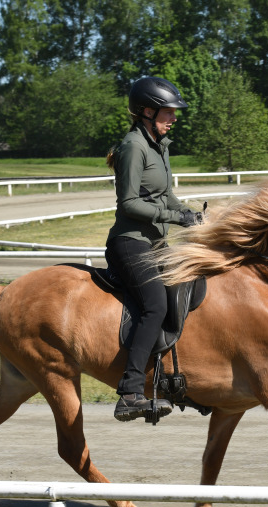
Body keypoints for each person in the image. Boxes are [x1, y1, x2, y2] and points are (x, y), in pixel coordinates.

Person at [105, 76, 202, 422]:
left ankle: (174, 376)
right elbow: (129, 203)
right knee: (156, 304)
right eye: (168, 112)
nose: (173, 118)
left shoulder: (160, 144)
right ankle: (131, 391)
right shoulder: (133, 146)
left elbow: (165, 195)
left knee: (194, 285)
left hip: (156, 242)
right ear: (147, 111)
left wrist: (188, 213)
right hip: (130, 243)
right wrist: (172, 216)